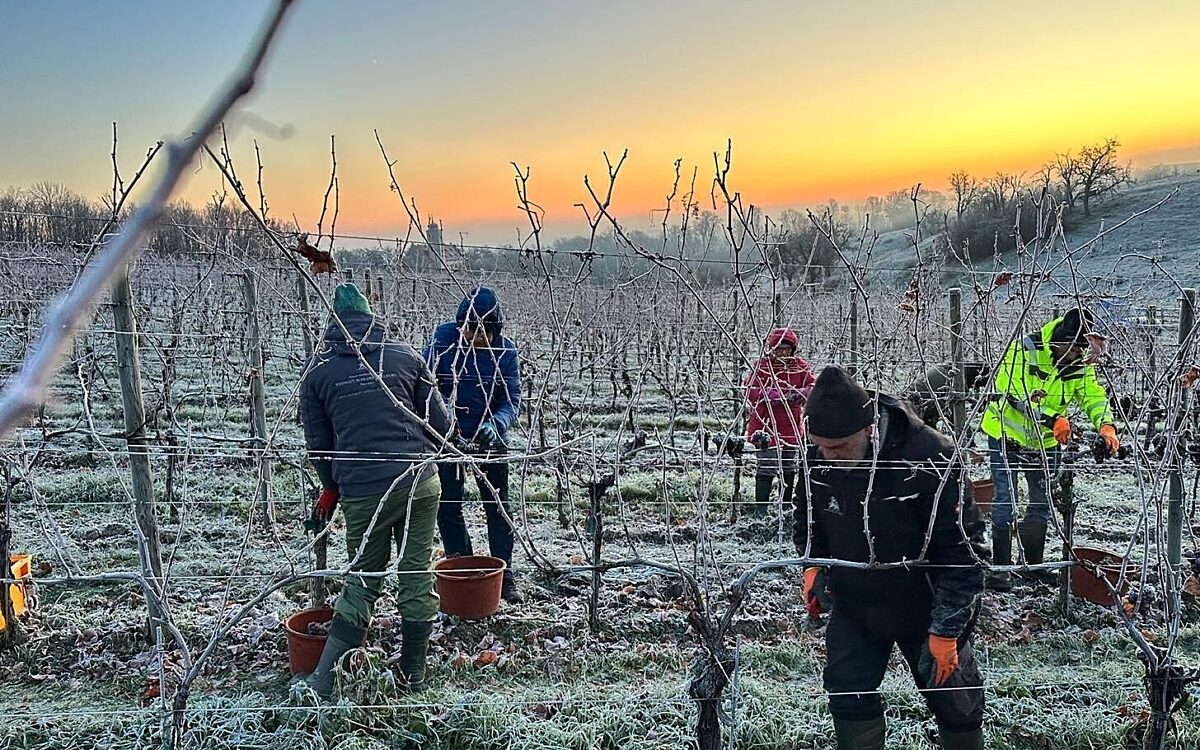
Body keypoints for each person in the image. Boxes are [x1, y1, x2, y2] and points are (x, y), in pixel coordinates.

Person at [794, 366, 986, 750]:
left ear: (869, 429)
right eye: (821, 448)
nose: (827, 457)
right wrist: (814, 565)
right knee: (847, 692)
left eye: (839, 448)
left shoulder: (930, 457)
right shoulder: (817, 456)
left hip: (926, 601)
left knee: (956, 699)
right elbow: (808, 517)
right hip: (855, 602)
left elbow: (963, 552)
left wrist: (946, 630)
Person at [299, 283, 452, 699]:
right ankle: (413, 674)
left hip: (364, 491)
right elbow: (441, 426)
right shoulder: (406, 356)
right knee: (416, 570)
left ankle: (326, 682)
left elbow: (320, 446)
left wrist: (330, 490)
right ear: (372, 318)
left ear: (333, 324)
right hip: (420, 482)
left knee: (364, 577)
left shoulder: (318, 372)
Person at [979, 308, 1118, 590]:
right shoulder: (1023, 350)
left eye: (1084, 350)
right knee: (1005, 500)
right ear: (1060, 343)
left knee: (1041, 502)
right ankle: (1002, 570)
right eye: (1076, 349)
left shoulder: (1079, 362)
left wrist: (1106, 425)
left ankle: (1034, 567)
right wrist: (1053, 418)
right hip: (1006, 435)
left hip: (1045, 443)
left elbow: (1092, 395)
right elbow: (1013, 394)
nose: (1080, 356)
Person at [425, 286, 523, 603]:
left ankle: (504, 576)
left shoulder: (506, 352)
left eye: (481, 330)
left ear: (495, 329)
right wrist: (444, 421)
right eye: (467, 328)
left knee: (498, 507)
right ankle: (463, 566)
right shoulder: (444, 340)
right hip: (447, 439)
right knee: (448, 507)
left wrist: (496, 425)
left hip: (489, 439)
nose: (473, 335)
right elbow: (426, 384)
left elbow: (512, 400)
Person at [744, 328, 815, 516]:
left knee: (789, 467)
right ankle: (761, 510)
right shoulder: (761, 366)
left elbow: (813, 386)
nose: (782, 353)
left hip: (791, 425)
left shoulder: (800, 366)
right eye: (778, 348)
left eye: (786, 349)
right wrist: (769, 395)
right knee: (766, 466)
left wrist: (800, 394)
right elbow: (749, 390)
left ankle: (785, 506)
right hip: (764, 425)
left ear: (792, 350)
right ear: (771, 348)